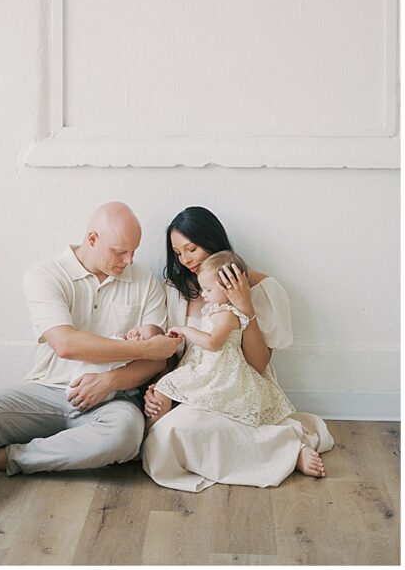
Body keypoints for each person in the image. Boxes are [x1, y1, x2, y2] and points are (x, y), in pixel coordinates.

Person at [0, 202, 182, 532]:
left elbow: (157, 360)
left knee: (126, 435)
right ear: (92, 238)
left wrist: (110, 381)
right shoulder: (45, 275)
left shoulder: (145, 283)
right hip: (45, 391)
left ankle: (3, 458)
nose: (129, 261)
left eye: (133, 251)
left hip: (113, 401)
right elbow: (66, 344)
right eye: (120, 252)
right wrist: (142, 347)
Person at [141, 206, 332, 492]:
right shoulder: (175, 287)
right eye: (178, 253)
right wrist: (158, 387)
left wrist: (245, 307)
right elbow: (173, 349)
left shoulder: (262, 287)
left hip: (240, 383)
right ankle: (276, 448)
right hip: (195, 382)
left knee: (184, 431)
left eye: (191, 249)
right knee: (163, 436)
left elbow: (258, 363)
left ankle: (288, 450)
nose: (185, 260)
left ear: (211, 240)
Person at [150, 251, 294, 429]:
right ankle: (148, 436)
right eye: (178, 252)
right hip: (203, 367)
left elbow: (212, 343)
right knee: (162, 389)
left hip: (218, 371)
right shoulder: (214, 310)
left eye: (208, 290)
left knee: (171, 394)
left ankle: (148, 435)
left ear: (229, 286)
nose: (203, 294)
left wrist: (185, 330)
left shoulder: (228, 315)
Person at [64, 324, 166, 417]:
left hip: (95, 396)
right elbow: (64, 347)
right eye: (138, 328)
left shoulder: (131, 357)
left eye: (141, 338)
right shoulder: (120, 340)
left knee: (125, 422)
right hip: (68, 385)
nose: (135, 332)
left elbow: (159, 360)